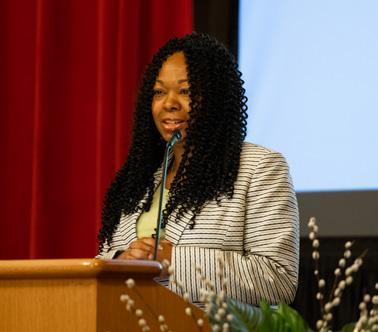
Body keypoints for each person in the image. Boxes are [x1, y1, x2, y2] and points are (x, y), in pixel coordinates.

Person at [97, 32, 299, 306]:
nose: (169, 103)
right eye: (159, 92)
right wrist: (121, 261)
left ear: (215, 99)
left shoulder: (259, 168)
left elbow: (278, 279)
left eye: (185, 91)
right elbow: (103, 264)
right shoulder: (138, 180)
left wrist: (171, 261)